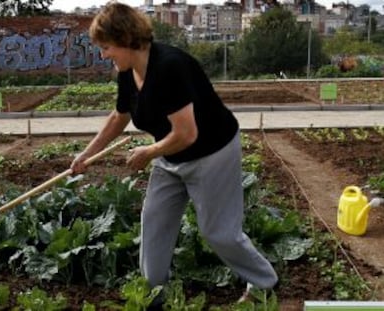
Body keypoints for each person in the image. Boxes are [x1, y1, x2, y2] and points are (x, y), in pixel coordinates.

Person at [70, 1, 278, 306]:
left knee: (218, 232)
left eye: (106, 47)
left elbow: (187, 133)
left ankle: (264, 282)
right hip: (171, 157)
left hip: (211, 152)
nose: (104, 55)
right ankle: (153, 294)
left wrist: (149, 152)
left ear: (126, 39)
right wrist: (86, 155)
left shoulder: (170, 66)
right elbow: (120, 116)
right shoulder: (127, 72)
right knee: (154, 222)